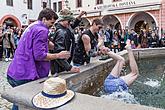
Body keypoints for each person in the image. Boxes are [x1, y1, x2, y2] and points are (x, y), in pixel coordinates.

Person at [7, 8, 70, 110]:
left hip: (15, 72)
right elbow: (39, 55)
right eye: (52, 22)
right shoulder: (42, 30)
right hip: (25, 75)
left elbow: (37, 43)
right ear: (44, 19)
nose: (52, 26)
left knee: (19, 101)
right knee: (27, 104)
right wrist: (59, 55)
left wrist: (52, 45)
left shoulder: (32, 26)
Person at [51, 9, 86, 74]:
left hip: (64, 64)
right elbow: (59, 53)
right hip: (60, 67)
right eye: (69, 21)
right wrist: (69, 68)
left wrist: (79, 16)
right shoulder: (61, 32)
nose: (70, 23)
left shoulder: (66, 27)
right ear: (62, 19)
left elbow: (73, 24)